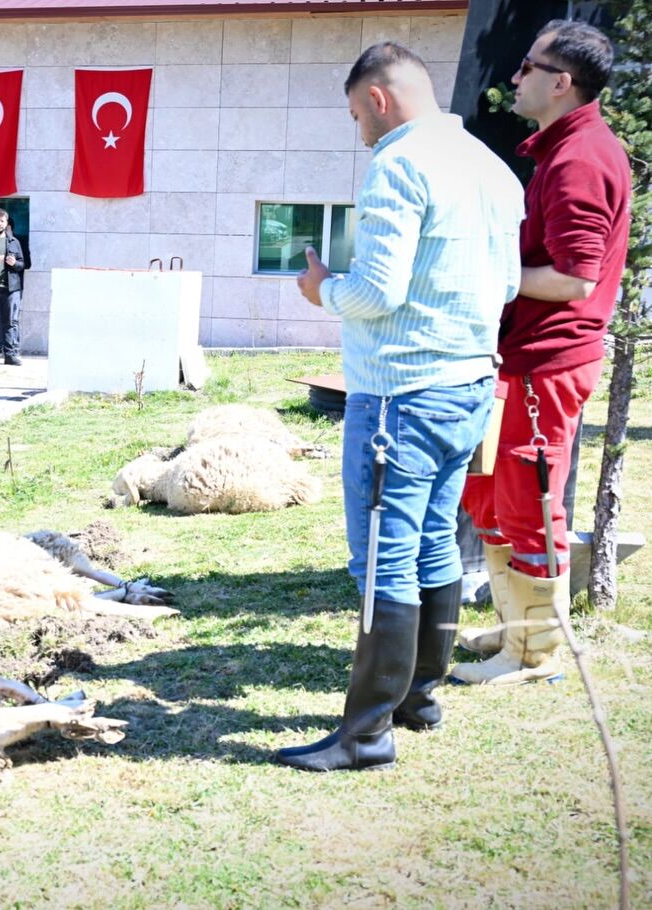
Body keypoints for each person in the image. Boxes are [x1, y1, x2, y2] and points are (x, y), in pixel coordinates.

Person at [278, 42, 524, 772]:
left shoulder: (398, 163)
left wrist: (321, 287)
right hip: (466, 388)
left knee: (383, 557)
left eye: (357, 114)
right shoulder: (490, 167)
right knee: (431, 545)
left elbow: (376, 293)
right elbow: (507, 285)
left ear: (379, 100)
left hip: (398, 395)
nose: (359, 130)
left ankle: (364, 734)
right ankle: (418, 697)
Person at [453, 21, 631, 687]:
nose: (514, 76)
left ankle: (532, 656)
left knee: (528, 503)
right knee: (492, 497)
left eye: (528, 66)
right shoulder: (566, 148)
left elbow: (575, 278)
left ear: (561, 82)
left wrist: (482, 274)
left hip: (547, 362)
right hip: (525, 358)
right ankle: (519, 628)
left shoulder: (580, 157)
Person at [0, 208, 27, 365]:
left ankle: (10, 355)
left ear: (6, 223)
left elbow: (23, 264)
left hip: (11, 287)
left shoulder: (14, 242)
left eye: (2, 221)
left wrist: (15, 264)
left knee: (10, 322)